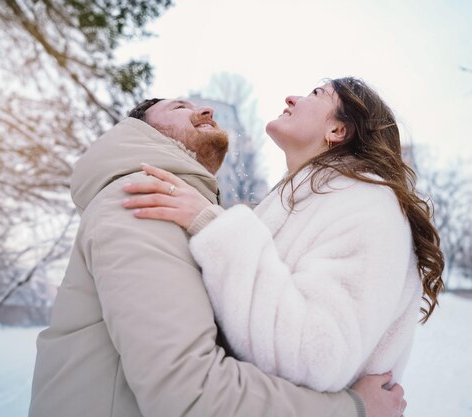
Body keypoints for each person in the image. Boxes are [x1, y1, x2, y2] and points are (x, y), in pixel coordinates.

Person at [29, 94, 407, 417]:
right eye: (179, 107)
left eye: (315, 93)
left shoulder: (175, 206)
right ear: (141, 132)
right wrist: (351, 409)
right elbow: (191, 390)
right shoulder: (143, 200)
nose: (207, 111)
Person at [122, 77, 445, 393]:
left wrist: (212, 226)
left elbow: (316, 356)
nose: (291, 98)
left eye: (316, 94)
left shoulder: (367, 204)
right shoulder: (299, 202)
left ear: (338, 130)